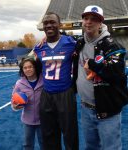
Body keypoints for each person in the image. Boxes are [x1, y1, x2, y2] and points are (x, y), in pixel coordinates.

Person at [74, 5, 128, 150]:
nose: (89, 22)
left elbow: (116, 73)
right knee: (91, 147)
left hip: (107, 109)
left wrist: (93, 64)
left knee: (111, 147)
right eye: (86, 18)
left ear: (101, 23)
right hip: (86, 107)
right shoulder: (80, 43)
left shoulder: (112, 46)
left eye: (94, 19)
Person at [33, 12, 78, 150]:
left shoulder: (71, 43)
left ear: (60, 25)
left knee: (70, 134)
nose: (49, 25)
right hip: (47, 95)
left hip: (65, 93)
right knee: (49, 134)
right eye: (46, 23)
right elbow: (35, 69)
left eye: (52, 22)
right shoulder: (39, 48)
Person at [11, 57, 43, 150]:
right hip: (27, 120)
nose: (28, 69)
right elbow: (13, 102)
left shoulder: (44, 80)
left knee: (44, 143)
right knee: (27, 144)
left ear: (35, 67)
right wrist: (15, 106)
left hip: (43, 120)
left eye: (30, 67)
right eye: (25, 68)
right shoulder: (19, 84)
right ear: (22, 70)